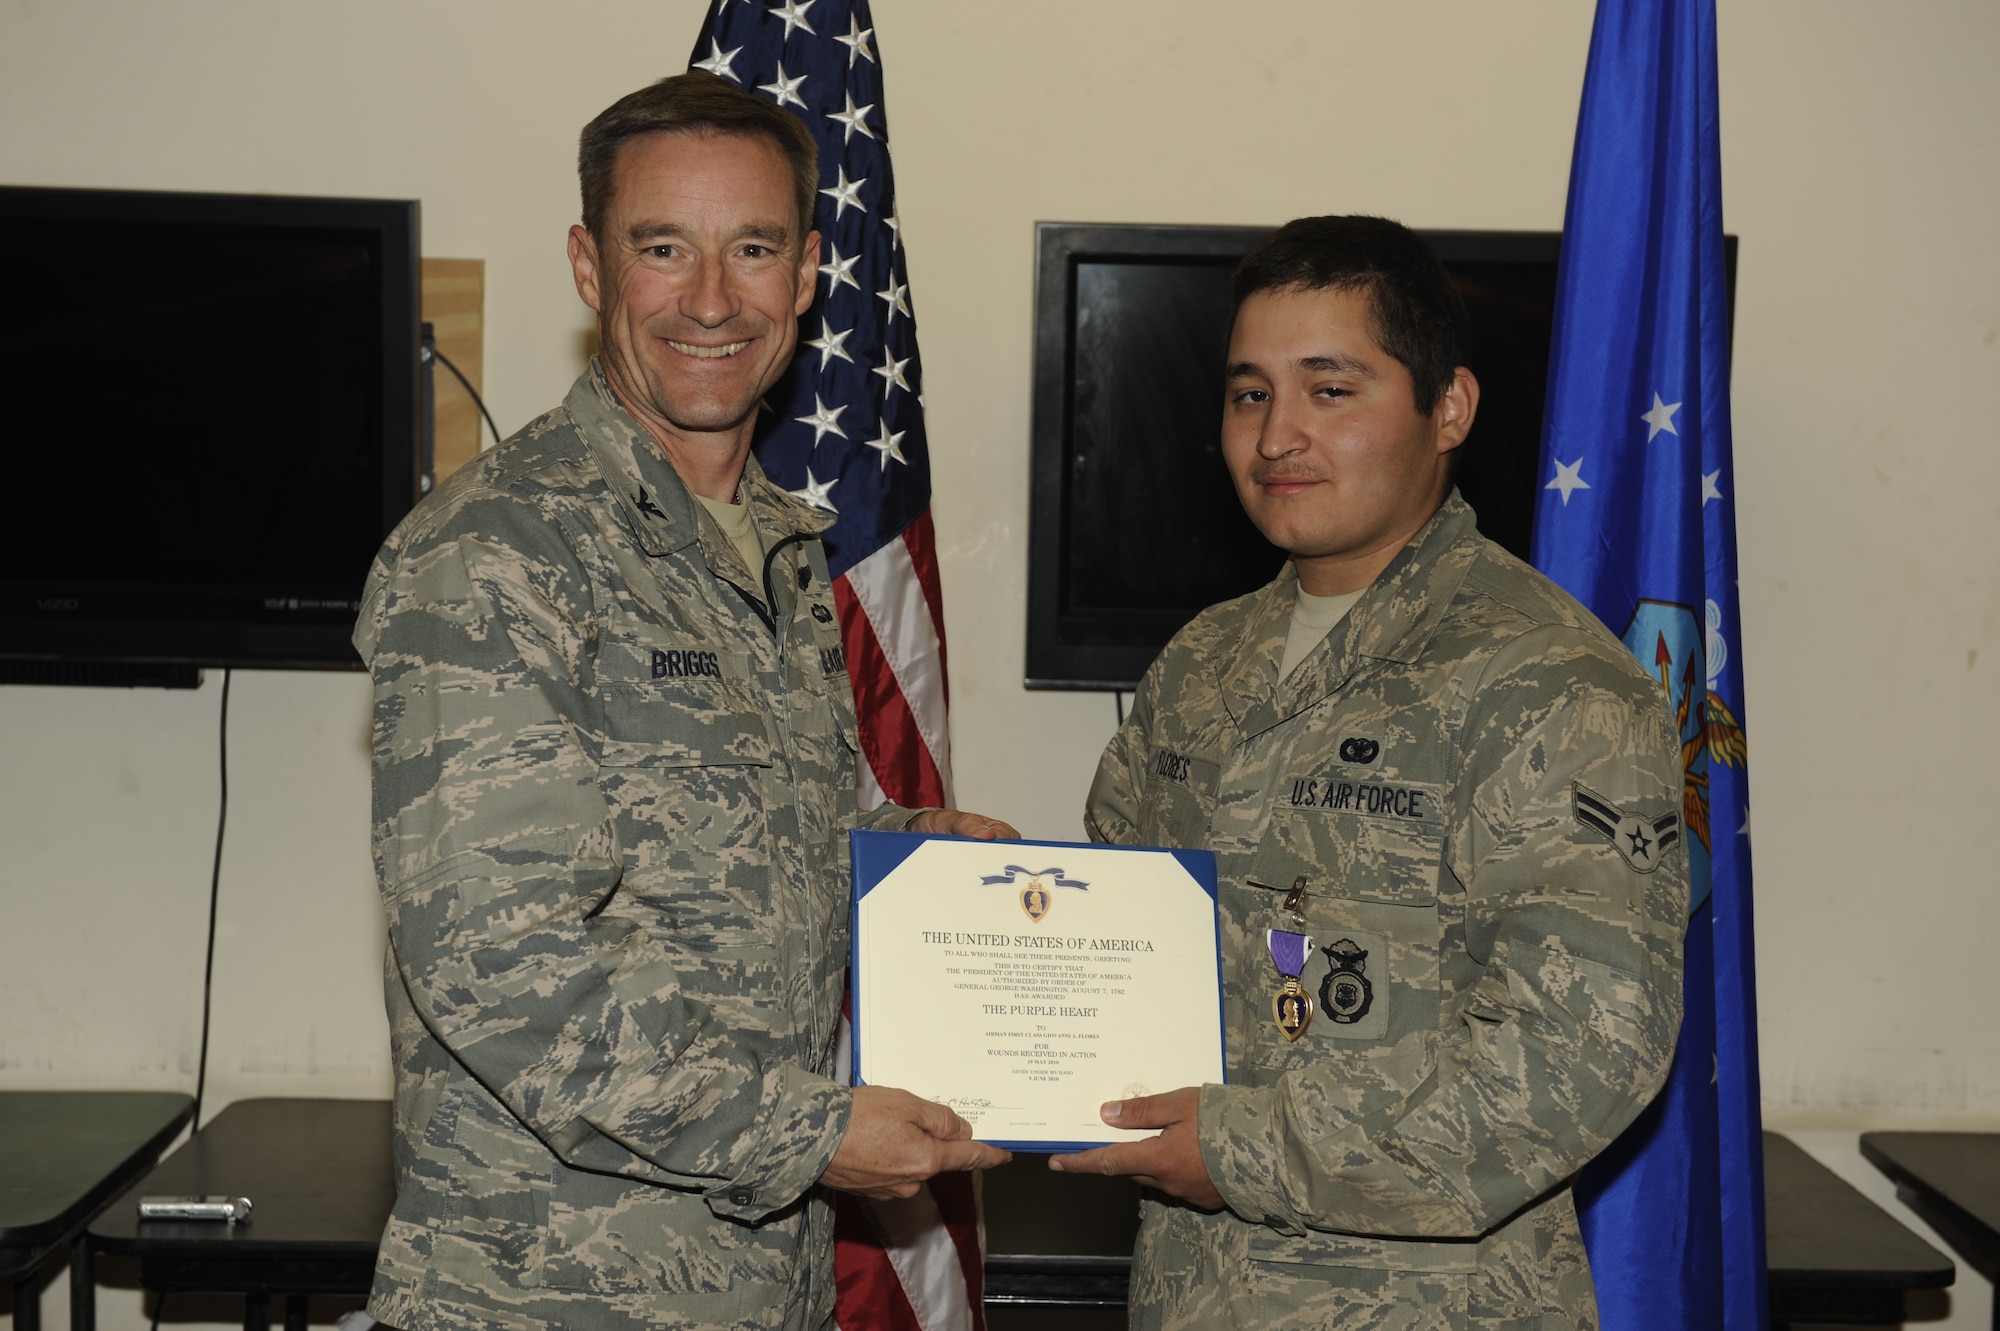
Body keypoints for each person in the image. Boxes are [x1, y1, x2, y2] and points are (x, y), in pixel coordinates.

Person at [353, 72, 1012, 1331]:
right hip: (551, 1294)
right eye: (663, 248)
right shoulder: (498, 552)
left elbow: (760, 840)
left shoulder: (776, 545)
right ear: (590, 267)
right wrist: (812, 1130)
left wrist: (927, 860)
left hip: (758, 1284)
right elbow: (505, 969)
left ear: (809, 270)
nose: (711, 299)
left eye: (752, 248)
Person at [1053, 215, 1688, 1329]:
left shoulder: (1546, 681)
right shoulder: (1201, 661)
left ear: (1447, 408)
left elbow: (1578, 1054)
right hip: (1188, 1292)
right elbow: (1114, 938)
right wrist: (961, 888)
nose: (1277, 434)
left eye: (1329, 390)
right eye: (1249, 393)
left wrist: (1251, 1148)